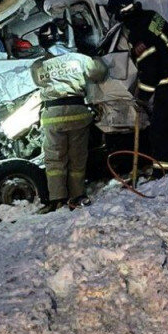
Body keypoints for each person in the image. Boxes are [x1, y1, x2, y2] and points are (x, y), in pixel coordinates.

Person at [104, 0, 168, 172]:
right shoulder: (151, 16)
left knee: (160, 130)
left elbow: (150, 71)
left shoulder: (138, 34)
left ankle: (164, 169)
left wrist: (142, 96)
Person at [31, 30, 108, 212]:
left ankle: (57, 198)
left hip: (53, 115)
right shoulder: (79, 59)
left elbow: (38, 82)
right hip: (77, 113)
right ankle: (77, 195)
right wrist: (93, 54)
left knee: (55, 160)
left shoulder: (39, 65)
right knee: (77, 158)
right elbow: (100, 72)